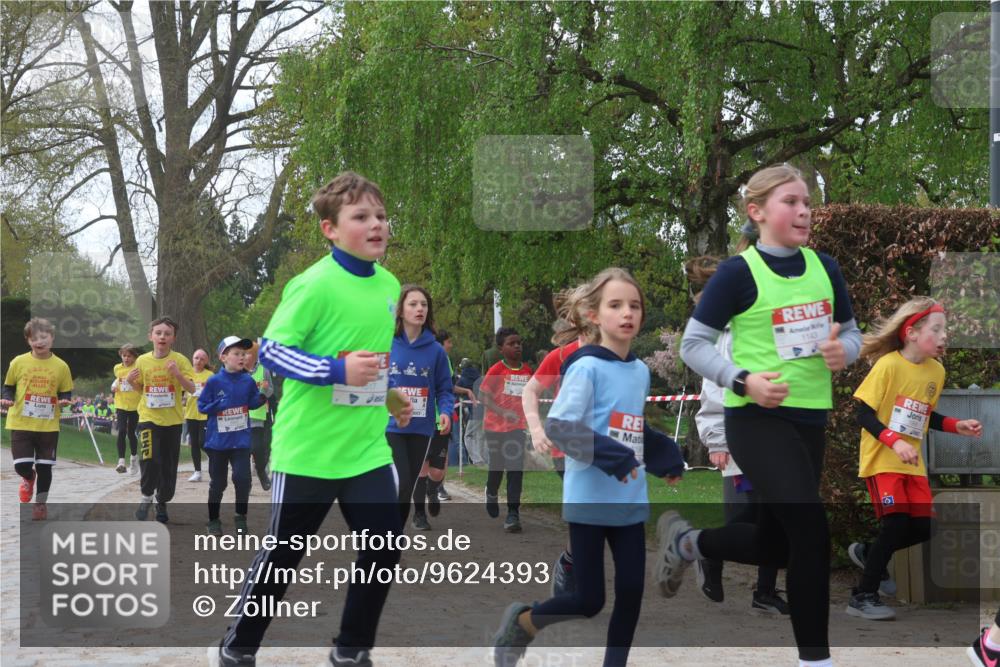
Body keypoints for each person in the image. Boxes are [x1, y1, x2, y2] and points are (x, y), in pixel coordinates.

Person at [209, 171, 413, 667]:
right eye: (361, 216)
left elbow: (370, 360)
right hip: (308, 451)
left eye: (381, 216)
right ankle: (236, 648)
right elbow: (272, 353)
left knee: (384, 548)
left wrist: (390, 398)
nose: (377, 224)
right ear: (330, 229)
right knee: (283, 558)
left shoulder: (389, 285)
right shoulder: (313, 284)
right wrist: (335, 370)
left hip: (365, 450)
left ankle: (350, 650)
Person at [668, 164, 864, 667]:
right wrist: (743, 380)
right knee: (811, 531)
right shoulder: (738, 273)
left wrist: (844, 351)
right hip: (755, 420)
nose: (804, 211)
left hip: (810, 419)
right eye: (790, 202)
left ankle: (691, 542)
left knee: (776, 544)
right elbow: (693, 345)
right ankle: (815, 660)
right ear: (756, 212)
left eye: (807, 203)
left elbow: (851, 334)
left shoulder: (826, 268)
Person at [492, 268, 684, 667]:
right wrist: (615, 458)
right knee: (589, 600)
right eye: (616, 305)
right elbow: (562, 428)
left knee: (631, 595)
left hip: (629, 500)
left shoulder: (639, 370)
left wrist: (665, 455)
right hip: (589, 500)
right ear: (594, 315)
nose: (627, 313)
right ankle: (524, 622)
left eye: (635, 306)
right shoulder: (585, 368)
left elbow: (631, 425)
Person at [846, 297, 982, 620]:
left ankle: (868, 552)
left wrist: (955, 425)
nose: (944, 335)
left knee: (924, 527)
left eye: (945, 329)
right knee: (895, 524)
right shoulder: (888, 365)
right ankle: (863, 597)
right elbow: (862, 414)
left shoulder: (936, 371)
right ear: (911, 333)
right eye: (936, 329)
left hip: (912, 464)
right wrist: (894, 442)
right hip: (882, 460)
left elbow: (924, 415)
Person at [686, 255, 788, 615]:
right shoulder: (720, 336)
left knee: (775, 515)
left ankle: (764, 591)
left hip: (774, 436)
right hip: (738, 438)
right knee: (753, 515)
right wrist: (716, 440)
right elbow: (714, 390)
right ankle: (708, 550)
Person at [522, 297, 585, 596]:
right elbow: (530, 390)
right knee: (585, 514)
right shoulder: (561, 355)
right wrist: (536, 429)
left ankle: (573, 561)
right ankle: (571, 564)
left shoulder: (619, 355)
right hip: (567, 450)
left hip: (607, 449)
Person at [385, 285, 454, 531]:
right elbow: (375, 381)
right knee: (402, 481)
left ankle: (393, 533)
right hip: (391, 426)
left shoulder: (436, 350)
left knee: (409, 486)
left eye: (424, 304)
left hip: (422, 428)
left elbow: (445, 389)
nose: (419, 309)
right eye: (413, 304)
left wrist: (445, 412)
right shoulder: (386, 343)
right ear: (400, 310)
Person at [1, 317, 73, 521]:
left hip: (47, 425)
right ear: (28, 341)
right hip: (21, 422)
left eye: (43, 337)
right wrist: (7, 399)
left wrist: (65, 400)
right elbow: (8, 386)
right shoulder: (18, 362)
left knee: (45, 466)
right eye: (34, 339)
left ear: (52, 338)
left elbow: (65, 391)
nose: (39, 342)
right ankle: (28, 477)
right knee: (21, 465)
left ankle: (40, 505)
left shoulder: (61, 366)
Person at [129, 316, 197, 524]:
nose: (162, 337)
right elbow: (142, 389)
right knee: (149, 458)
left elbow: (192, 389)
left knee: (168, 466)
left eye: (167, 334)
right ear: (151, 336)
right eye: (158, 333)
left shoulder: (180, 360)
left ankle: (162, 501)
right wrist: (131, 382)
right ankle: (146, 496)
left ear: (173, 338)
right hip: (148, 418)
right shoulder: (142, 361)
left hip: (172, 422)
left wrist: (177, 374)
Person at [198, 336, 267, 536]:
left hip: (241, 441)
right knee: (218, 483)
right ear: (223, 357)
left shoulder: (247, 380)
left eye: (244, 354)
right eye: (237, 354)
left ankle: (240, 517)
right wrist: (218, 405)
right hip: (218, 443)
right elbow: (202, 406)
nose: (242, 357)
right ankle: (213, 520)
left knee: (243, 479)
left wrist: (262, 396)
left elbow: (252, 403)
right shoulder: (214, 381)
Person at [479, 326, 533, 533]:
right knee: (497, 466)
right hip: (494, 427)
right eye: (512, 343)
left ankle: (513, 513)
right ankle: (491, 492)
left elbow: (531, 395)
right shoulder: (496, 370)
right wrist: (503, 412)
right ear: (501, 348)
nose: (517, 346)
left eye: (519, 343)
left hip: (517, 428)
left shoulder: (527, 371)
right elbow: (484, 397)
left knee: (515, 469)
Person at [414, 329, 475, 512]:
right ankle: (419, 514)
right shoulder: (408, 354)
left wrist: (446, 410)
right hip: (418, 421)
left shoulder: (442, 358)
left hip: (440, 417)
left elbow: (447, 387)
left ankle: (434, 489)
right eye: (449, 342)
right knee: (421, 467)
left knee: (438, 469)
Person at [244, 340, 276, 491]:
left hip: (258, 415)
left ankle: (261, 472)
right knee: (244, 451)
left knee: (258, 448)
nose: (244, 356)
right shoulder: (237, 371)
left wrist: (264, 392)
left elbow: (270, 390)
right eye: (242, 353)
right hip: (240, 417)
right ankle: (247, 482)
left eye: (247, 353)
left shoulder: (264, 370)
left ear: (255, 355)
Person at [185, 348, 214, 482]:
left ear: (206, 361)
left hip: (205, 413)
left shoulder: (210, 375)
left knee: (202, 442)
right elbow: (182, 391)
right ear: (192, 359)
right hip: (191, 413)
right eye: (196, 358)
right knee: (194, 443)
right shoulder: (187, 374)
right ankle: (197, 472)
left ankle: (215, 457)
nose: (199, 361)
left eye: (202, 359)